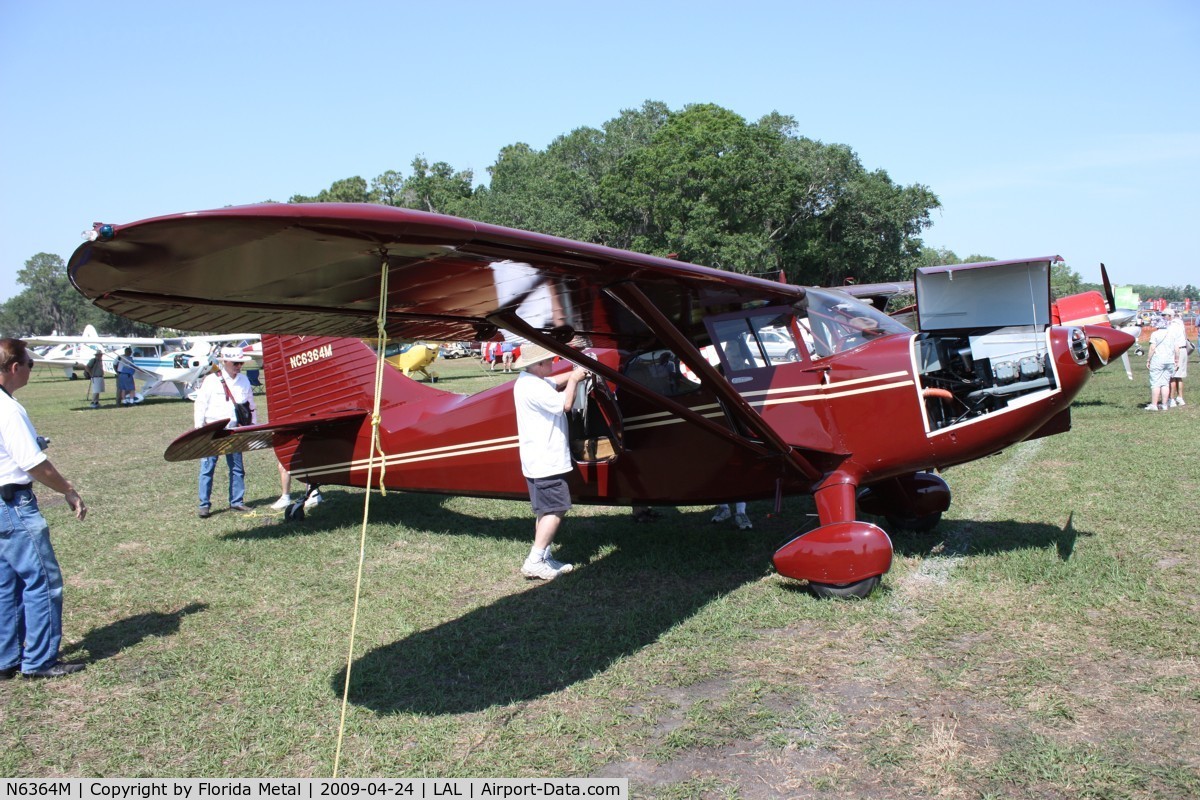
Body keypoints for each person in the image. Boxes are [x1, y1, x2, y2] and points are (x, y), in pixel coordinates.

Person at [0, 338, 88, 679]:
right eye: (30, 365)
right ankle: (39, 660)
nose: (31, 371)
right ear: (14, 367)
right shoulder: (8, 409)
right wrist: (68, 489)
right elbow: (33, 463)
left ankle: (7, 658)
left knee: (8, 584)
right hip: (13, 503)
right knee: (42, 580)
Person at [513, 353, 587, 580]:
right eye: (549, 362)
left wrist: (578, 373)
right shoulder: (535, 388)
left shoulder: (529, 381)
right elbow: (565, 404)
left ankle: (543, 556)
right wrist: (575, 380)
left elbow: (555, 381)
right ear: (538, 365)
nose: (553, 364)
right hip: (547, 460)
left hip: (536, 459)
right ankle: (534, 561)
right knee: (556, 508)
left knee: (545, 510)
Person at [193, 348, 257, 517]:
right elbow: (200, 404)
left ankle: (237, 501)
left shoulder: (244, 380)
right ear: (224, 362)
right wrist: (200, 428)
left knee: (237, 468)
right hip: (212, 430)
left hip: (234, 431)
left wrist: (252, 426)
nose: (239, 366)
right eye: (235, 363)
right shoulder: (211, 381)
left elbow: (250, 405)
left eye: (241, 363)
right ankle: (204, 504)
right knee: (207, 468)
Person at [1145, 322, 1176, 411]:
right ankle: (1164, 404)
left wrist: (1148, 360)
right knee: (1165, 383)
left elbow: (1152, 348)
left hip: (1158, 359)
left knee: (1155, 383)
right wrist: (1176, 359)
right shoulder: (1171, 334)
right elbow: (1176, 348)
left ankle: (1154, 404)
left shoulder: (1155, 334)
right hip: (1170, 360)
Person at [1166, 309, 1188, 407]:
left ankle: (1171, 399)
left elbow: (1172, 340)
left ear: (1169, 316)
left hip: (1176, 350)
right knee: (1180, 376)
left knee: (1172, 376)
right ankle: (1180, 397)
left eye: (1164, 315)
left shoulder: (1172, 326)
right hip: (1183, 349)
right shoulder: (1181, 324)